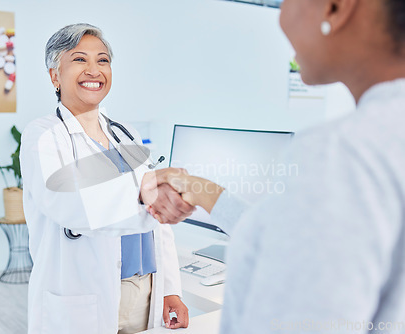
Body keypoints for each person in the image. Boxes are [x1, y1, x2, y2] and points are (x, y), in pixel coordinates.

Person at [143, 0, 405, 332]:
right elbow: (289, 238)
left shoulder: (340, 151)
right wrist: (202, 190)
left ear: (336, 7)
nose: (281, 18)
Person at [20, 23, 192, 334]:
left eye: (102, 60)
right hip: (83, 297)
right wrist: (144, 194)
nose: (94, 70)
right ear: (54, 75)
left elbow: (157, 224)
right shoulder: (43, 137)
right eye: (79, 59)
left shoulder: (127, 135)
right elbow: (67, 204)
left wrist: (170, 289)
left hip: (145, 291)